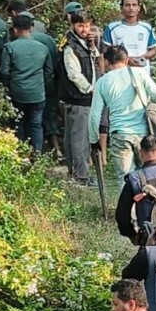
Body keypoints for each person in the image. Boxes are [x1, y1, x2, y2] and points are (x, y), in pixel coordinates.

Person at [89, 46, 156, 179]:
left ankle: (128, 199)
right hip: (143, 134)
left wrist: (94, 140)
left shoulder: (102, 82)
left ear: (107, 62)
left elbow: (94, 116)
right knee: (147, 174)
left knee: (125, 177)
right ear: (126, 60)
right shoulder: (139, 73)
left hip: (120, 135)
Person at [13, 4, 64, 157]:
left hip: (24, 86)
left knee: (23, 120)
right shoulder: (48, 40)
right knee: (47, 115)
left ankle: (24, 153)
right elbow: (53, 65)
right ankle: (53, 150)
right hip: (45, 84)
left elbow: (6, 69)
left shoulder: (15, 43)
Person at [60, 10, 103, 184]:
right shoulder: (70, 45)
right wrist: (90, 89)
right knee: (79, 138)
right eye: (80, 26)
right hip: (79, 96)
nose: (84, 29)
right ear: (73, 25)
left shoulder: (83, 43)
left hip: (80, 97)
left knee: (74, 136)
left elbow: (94, 61)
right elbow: (73, 74)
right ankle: (82, 176)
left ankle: (76, 172)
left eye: (87, 25)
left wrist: (92, 47)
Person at [0, 14, 52, 152]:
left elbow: (4, 71)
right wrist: (40, 82)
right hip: (38, 93)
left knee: (18, 123)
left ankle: (21, 154)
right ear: (32, 28)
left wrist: (11, 84)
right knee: (36, 124)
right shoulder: (43, 48)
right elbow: (49, 71)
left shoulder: (9, 47)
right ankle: (38, 154)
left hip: (17, 93)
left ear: (15, 30)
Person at [103, 0, 156, 70]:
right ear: (121, 8)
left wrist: (141, 58)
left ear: (139, 8)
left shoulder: (146, 28)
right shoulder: (112, 28)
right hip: (120, 71)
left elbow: (153, 50)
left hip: (142, 71)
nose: (131, 8)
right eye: (127, 5)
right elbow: (106, 50)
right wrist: (126, 59)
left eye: (134, 5)